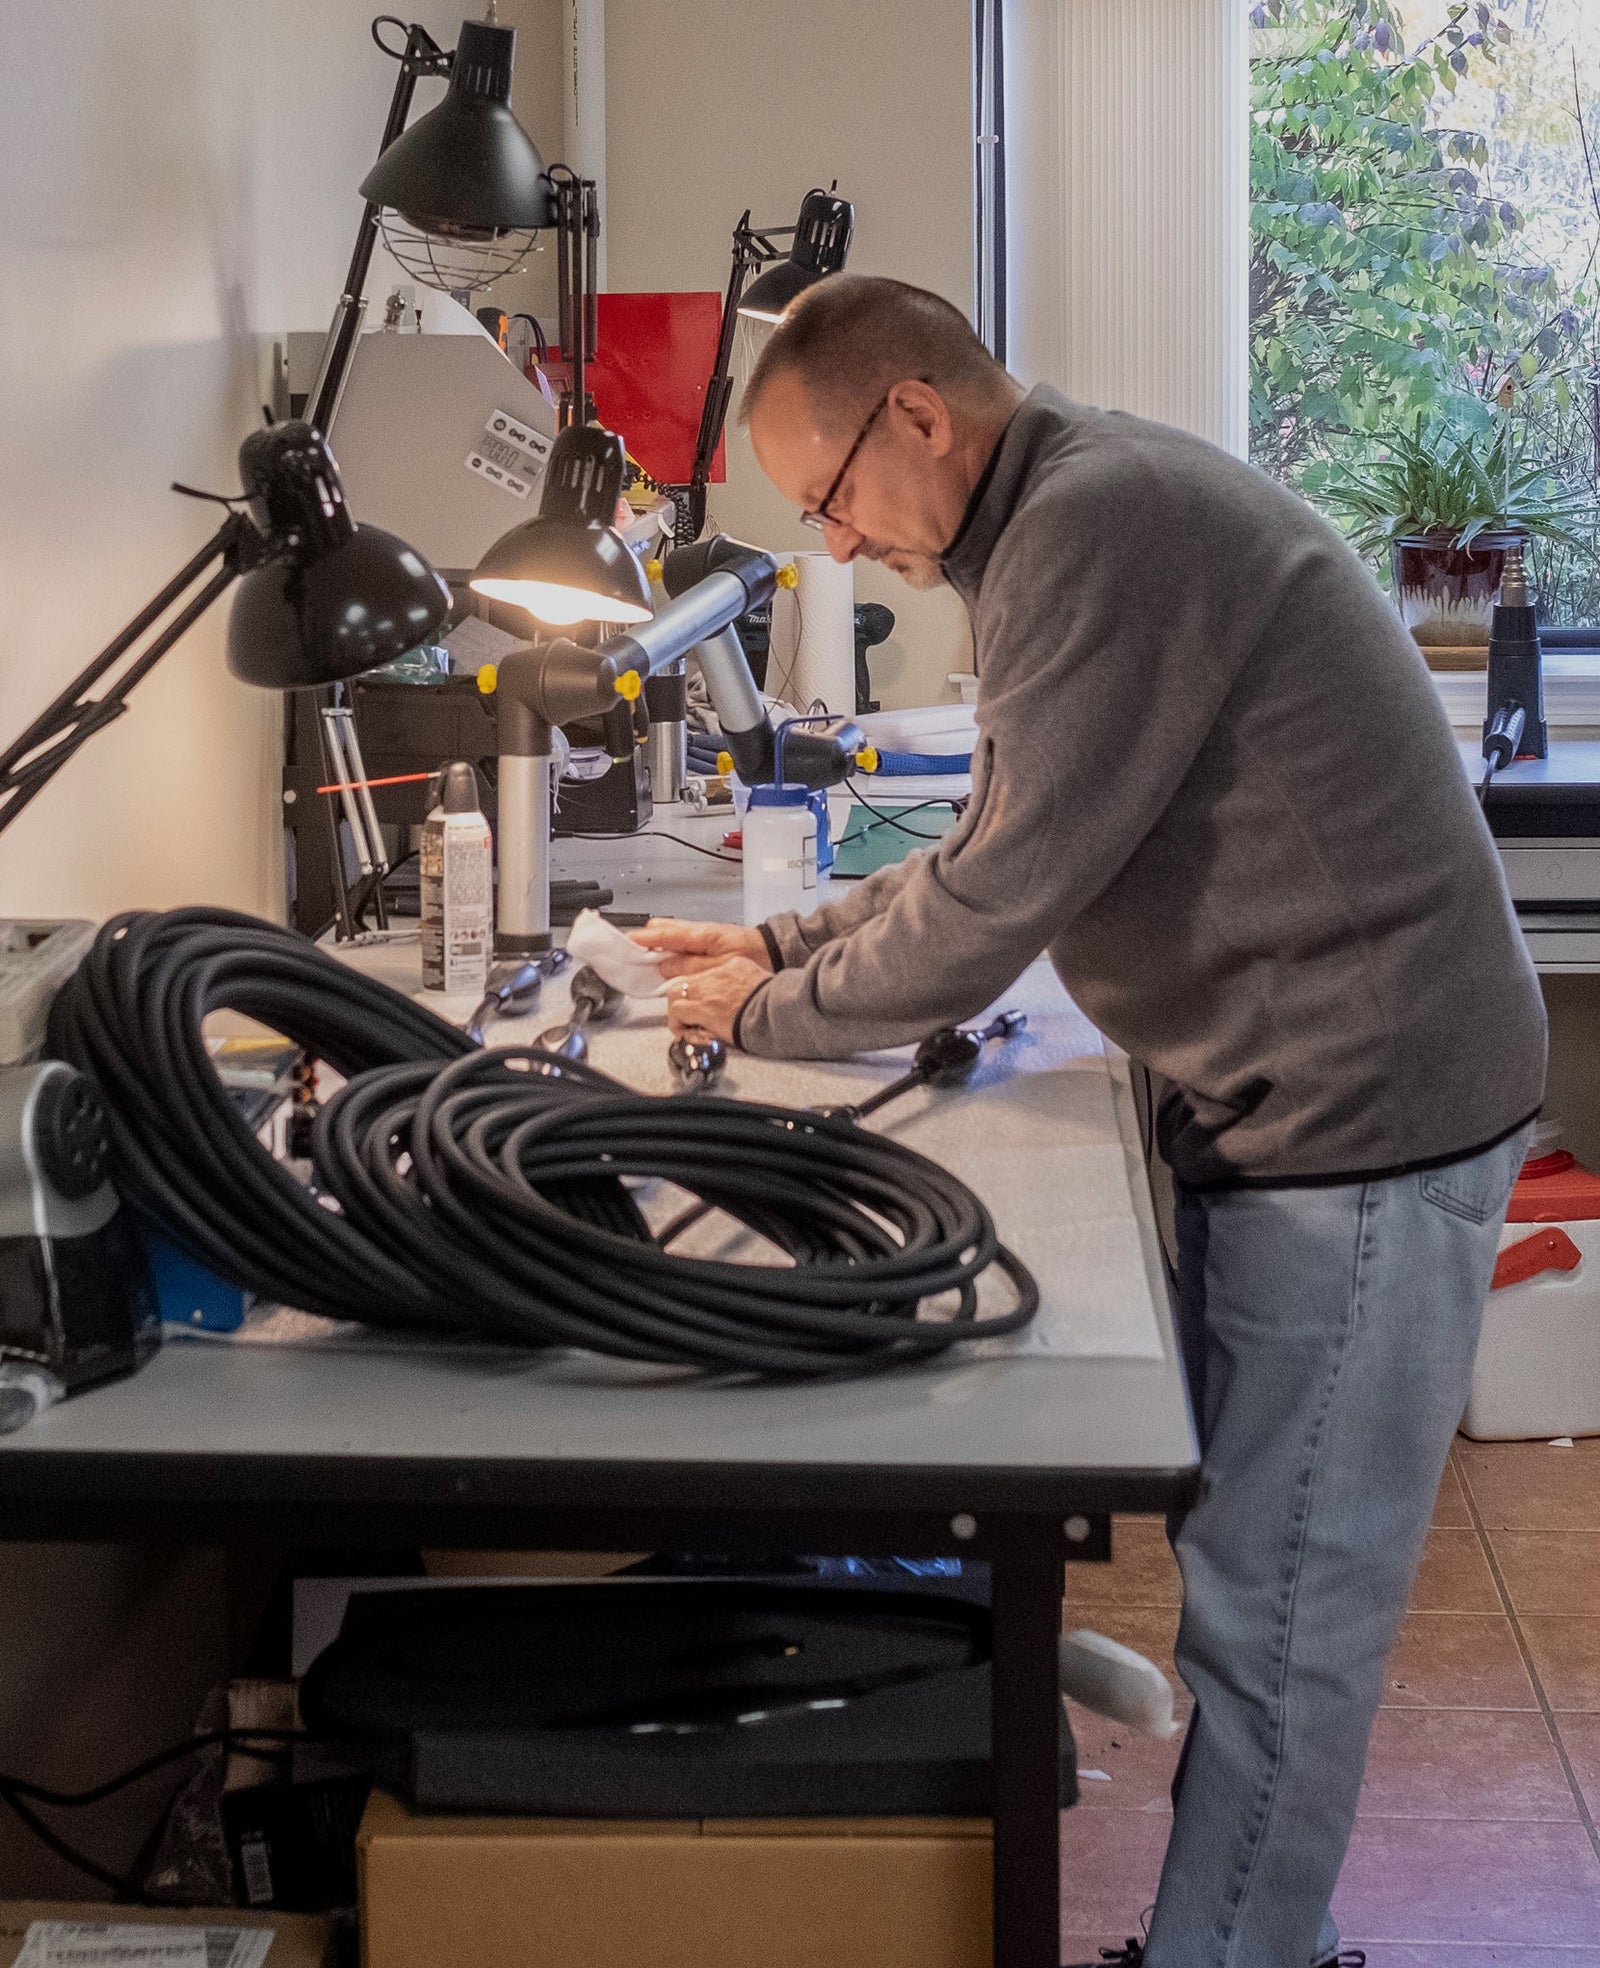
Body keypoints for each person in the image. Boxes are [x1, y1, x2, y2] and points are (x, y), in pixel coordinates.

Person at [633, 274, 1545, 1968]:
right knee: (1262, 1569)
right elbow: (999, 839)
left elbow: (998, 907)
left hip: (1364, 1108)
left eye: (827, 497)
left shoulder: (1095, 526)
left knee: (1283, 1618)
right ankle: (1266, 1935)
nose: (831, 548)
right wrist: (779, 938)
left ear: (916, 412)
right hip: (1297, 1086)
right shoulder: (1065, 513)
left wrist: (769, 1013)